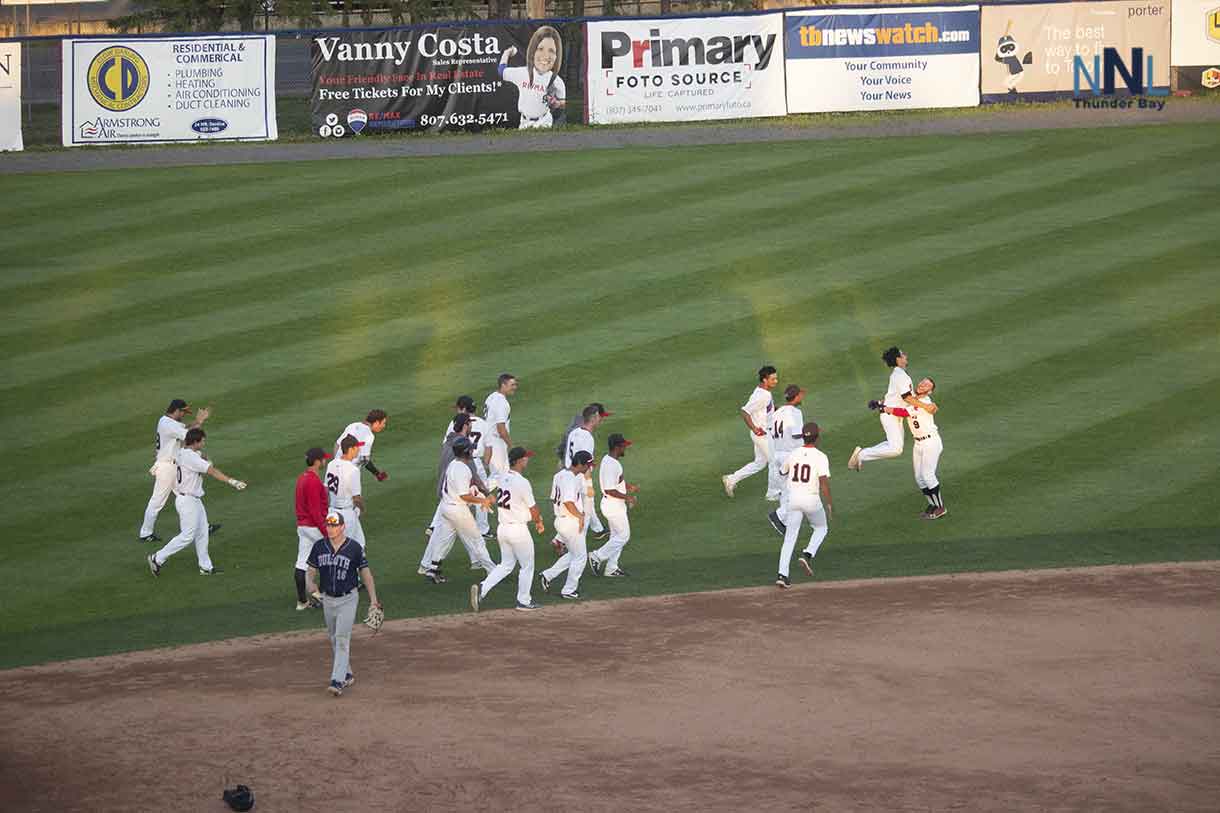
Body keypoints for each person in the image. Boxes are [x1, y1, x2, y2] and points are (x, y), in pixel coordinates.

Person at [146, 428, 246, 577]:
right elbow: (212, 471)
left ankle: (205, 567)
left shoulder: (182, 451)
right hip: (187, 501)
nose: (204, 443)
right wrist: (233, 482)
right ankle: (157, 558)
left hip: (192, 500)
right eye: (202, 441)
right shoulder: (191, 458)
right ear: (195, 442)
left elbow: (202, 457)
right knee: (187, 535)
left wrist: (204, 457)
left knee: (202, 532)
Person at [305, 512, 381, 697]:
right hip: (327, 599)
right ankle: (347, 674)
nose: (330, 529)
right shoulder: (319, 546)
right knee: (334, 638)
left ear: (342, 527)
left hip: (348, 599)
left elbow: (366, 574)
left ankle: (337, 681)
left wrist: (373, 600)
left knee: (341, 638)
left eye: (334, 525)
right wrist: (309, 583)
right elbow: (311, 570)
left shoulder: (354, 548)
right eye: (328, 525)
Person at [418, 416, 495, 581]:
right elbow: (463, 495)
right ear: (466, 452)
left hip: (447, 508)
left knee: (444, 540)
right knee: (477, 541)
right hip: (457, 510)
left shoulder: (454, 464)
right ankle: (492, 571)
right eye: (471, 449)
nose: (473, 451)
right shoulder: (462, 468)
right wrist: (483, 500)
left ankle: (433, 569)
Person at [471, 447, 545, 612]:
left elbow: (488, 491)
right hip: (518, 531)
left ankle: (483, 588)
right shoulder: (522, 482)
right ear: (519, 461)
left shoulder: (502, 477)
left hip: (503, 529)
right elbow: (533, 508)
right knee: (527, 566)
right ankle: (523, 601)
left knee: (506, 564)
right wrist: (538, 521)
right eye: (525, 457)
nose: (527, 460)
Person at [139, 398, 210, 543]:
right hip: (167, 468)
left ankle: (203, 526)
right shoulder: (168, 424)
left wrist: (197, 422)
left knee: (189, 495)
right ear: (176, 410)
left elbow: (186, 427)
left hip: (172, 465)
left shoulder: (167, 421)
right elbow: (189, 436)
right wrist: (200, 421)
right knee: (157, 501)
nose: (184, 415)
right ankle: (145, 533)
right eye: (183, 412)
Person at [876, 377, 946, 519]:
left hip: (931, 442)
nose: (922, 385)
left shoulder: (924, 402)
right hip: (918, 443)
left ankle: (940, 508)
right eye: (922, 382)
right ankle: (932, 505)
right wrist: (881, 403)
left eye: (927, 385)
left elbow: (903, 412)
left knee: (928, 475)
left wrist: (884, 408)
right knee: (919, 478)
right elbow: (899, 403)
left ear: (930, 391)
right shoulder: (913, 399)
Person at [427, 396, 493, 541]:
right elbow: (489, 447)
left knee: (449, 493)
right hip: (475, 461)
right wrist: (485, 464)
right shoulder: (484, 424)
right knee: (480, 493)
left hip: (457, 460)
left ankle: (434, 525)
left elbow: (447, 443)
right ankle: (483, 529)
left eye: (458, 408)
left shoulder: (455, 422)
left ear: (463, 409)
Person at [776, 422, 832, 589]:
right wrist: (829, 503)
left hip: (793, 500)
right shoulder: (821, 456)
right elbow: (823, 483)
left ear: (803, 436)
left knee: (790, 537)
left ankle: (782, 575)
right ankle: (807, 554)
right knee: (821, 528)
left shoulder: (793, 453)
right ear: (817, 437)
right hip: (811, 500)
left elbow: (782, 472)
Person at [849, 347, 923, 471]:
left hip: (893, 415)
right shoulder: (900, 376)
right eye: (902, 354)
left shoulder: (898, 374)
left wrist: (879, 402)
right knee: (896, 449)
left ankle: (862, 454)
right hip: (890, 415)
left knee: (894, 446)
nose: (905, 355)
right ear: (898, 359)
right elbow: (906, 397)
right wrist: (924, 406)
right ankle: (861, 455)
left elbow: (894, 395)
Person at [539, 450, 592, 600]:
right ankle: (568, 590)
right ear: (580, 464)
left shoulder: (560, 475)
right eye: (587, 465)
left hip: (561, 521)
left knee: (573, 554)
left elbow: (555, 498)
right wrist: (580, 516)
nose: (589, 468)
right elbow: (568, 502)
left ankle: (547, 575)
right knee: (580, 557)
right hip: (570, 521)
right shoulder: (570, 479)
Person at [722, 366, 780, 500]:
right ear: (765, 380)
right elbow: (745, 412)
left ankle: (731, 479)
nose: (776, 381)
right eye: (773, 379)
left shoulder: (764, 392)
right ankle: (773, 493)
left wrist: (779, 409)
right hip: (762, 435)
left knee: (759, 463)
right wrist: (754, 428)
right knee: (775, 462)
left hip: (761, 434)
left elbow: (765, 409)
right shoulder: (762, 395)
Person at [589, 434, 638, 578]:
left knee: (616, 537)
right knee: (624, 536)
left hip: (613, 505)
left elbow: (616, 482)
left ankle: (611, 568)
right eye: (623, 446)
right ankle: (597, 556)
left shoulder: (608, 459)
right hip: (613, 506)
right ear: (617, 447)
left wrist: (628, 487)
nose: (625, 448)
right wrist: (628, 497)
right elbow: (609, 489)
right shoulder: (612, 465)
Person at [498, 26, 566, 129]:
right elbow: (501, 71)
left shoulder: (556, 80)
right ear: (533, 51)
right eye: (540, 49)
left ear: (557, 56)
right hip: (524, 122)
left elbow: (563, 102)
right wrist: (506, 53)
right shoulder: (522, 73)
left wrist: (557, 103)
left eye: (551, 51)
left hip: (544, 122)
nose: (545, 55)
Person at [562, 404, 611, 541]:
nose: (601, 420)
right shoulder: (587, 438)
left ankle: (599, 529)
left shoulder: (574, 432)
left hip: (569, 474)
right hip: (580, 478)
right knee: (586, 510)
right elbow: (585, 463)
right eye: (601, 417)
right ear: (594, 417)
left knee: (587, 506)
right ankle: (564, 540)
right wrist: (589, 485)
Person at [294, 447, 331, 611]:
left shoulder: (302, 478)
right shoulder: (313, 481)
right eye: (323, 459)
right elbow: (315, 511)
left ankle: (302, 602)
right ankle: (325, 595)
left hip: (303, 527)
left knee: (301, 563)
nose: (325, 461)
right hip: (314, 527)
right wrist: (326, 532)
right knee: (331, 557)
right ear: (317, 461)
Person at [767, 385, 807, 536]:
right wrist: (810, 433)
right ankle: (779, 515)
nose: (802, 397)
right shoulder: (795, 412)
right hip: (790, 456)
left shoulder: (777, 413)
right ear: (795, 397)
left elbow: (772, 432)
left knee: (785, 490)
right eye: (800, 395)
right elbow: (797, 434)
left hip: (777, 454)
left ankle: (786, 523)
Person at [325, 435, 366, 548]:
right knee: (345, 548)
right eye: (357, 447)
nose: (359, 449)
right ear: (351, 449)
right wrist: (362, 509)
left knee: (360, 544)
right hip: (346, 514)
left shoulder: (331, 464)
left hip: (332, 511)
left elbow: (325, 489)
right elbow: (356, 498)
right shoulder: (353, 470)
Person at [333, 410, 390, 482]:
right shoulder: (369, 435)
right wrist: (377, 473)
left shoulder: (352, 425)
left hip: (334, 469)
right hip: (348, 474)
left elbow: (337, 445)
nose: (384, 426)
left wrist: (336, 461)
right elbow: (364, 459)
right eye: (383, 423)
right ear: (376, 422)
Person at [483, 374, 518, 485]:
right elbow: (501, 429)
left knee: (503, 475)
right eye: (512, 385)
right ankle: (477, 494)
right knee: (498, 476)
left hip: (489, 439)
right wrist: (511, 445)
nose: (515, 387)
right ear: (503, 385)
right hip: (496, 442)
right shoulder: (502, 403)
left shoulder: (491, 396)